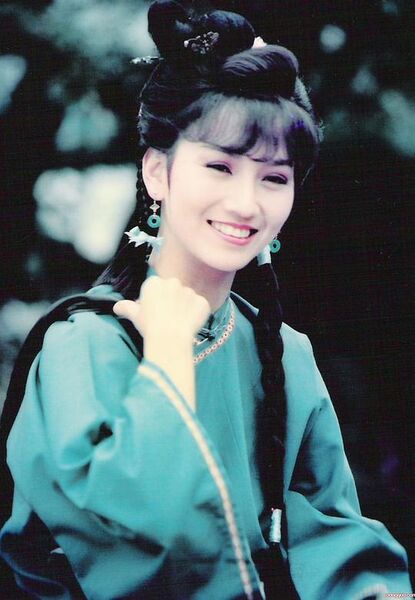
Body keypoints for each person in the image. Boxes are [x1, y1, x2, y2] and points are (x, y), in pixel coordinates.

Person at [0, 1, 412, 598]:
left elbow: (333, 538)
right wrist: (167, 354)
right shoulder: (84, 345)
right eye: (220, 166)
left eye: (274, 177)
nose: (246, 204)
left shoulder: (285, 354)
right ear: (157, 172)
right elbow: (142, 540)